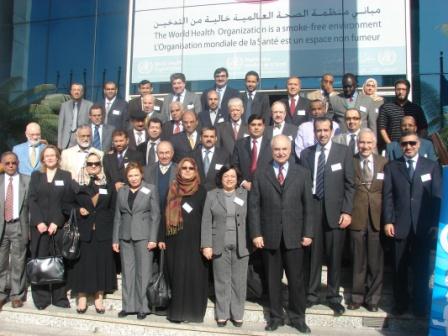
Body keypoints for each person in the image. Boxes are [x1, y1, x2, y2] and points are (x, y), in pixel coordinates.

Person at [249, 135, 313, 333]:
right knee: (273, 280)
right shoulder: (260, 173)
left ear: (290, 148)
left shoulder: (302, 173)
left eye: (284, 149)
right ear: (271, 150)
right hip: (270, 236)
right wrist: (256, 233)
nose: (281, 153)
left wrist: (308, 232)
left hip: (295, 236)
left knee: (296, 280)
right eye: (277, 149)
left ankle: (297, 317)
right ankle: (276, 316)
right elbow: (254, 207)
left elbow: (308, 207)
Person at [300, 117, 354, 316]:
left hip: (335, 211)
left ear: (332, 131)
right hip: (313, 208)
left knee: (334, 255)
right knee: (313, 255)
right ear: (314, 132)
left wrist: (347, 211)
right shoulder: (306, 154)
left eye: (325, 130)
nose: (322, 134)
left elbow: (350, 184)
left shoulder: (344, 152)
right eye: (318, 130)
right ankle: (312, 294)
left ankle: (333, 296)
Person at [383, 131, 441, 316]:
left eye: (412, 144)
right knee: (399, 268)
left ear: (419, 145)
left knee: (421, 269)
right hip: (399, 225)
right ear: (400, 146)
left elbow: (436, 198)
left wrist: (434, 224)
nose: (408, 147)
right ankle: (400, 304)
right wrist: (388, 221)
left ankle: (419, 306)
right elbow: (388, 196)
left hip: (423, 227)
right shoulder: (392, 166)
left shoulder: (431, 167)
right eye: (405, 144)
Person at [159, 158, 208, 323]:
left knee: (194, 276)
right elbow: (162, 214)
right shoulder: (172, 189)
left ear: (196, 171)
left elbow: (207, 219)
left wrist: (206, 243)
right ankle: (176, 313)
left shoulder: (202, 191)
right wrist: (161, 238)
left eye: (191, 168)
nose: (187, 171)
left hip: (195, 241)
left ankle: (192, 313)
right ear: (178, 171)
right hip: (174, 240)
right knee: (176, 275)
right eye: (184, 168)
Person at [67, 153, 117, 314]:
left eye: (96, 164)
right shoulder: (76, 185)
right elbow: (66, 204)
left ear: (101, 166)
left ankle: (98, 297)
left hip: (103, 231)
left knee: (101, 264)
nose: (93, 166)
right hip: (84, 231)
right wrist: (77, 209)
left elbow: (114, 208)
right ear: (85, 165)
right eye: (90, 164)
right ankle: (81, 297)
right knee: (83, 265)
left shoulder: (108, 185)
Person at [201, 164, 249, 327]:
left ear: (238, 179)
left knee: (239, 281)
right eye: (226, 176)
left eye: (233, 176)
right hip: (218, 243)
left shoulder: (245, 194)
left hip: (241, 243)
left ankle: (237, 314)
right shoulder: (212, 195)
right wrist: (206, 244)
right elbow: (206, 221)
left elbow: (252, 218)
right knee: (221, 281)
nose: (229, 179)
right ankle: (222, 314)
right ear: (221, 179)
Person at [112, 162, 160, 320]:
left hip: (144, 236)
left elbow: (155, 215)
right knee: (128, 272)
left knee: (143, 273)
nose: (133, 178)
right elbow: (118, 216)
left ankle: (143, 307)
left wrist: (153, 238)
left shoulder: (150, 189)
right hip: (125, 237)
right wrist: (115, 239)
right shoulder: (122, 191)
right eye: (130, 175)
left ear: (141, 175)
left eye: (136, 175)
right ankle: (128, 306)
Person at [28, 145, 73, 310]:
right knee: (39, 262)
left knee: (57, 262)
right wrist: (39, 222)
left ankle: (59, 298)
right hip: (38, 227)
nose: (50, 158)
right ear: (43, 159)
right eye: (47, 156)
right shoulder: (36, 176)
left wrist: (56, 222)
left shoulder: (66, 176)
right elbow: (31, 200)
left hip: (57, 227)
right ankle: (41, 299)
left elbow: (67, 201)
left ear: (58, 157)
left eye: (53, 155)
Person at [347, 129, 386, 312]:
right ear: (357, 143)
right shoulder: (351, 161)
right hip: (356, 215)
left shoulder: (384, 163)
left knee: (375, 261)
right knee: (358, 260)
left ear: (375, 144)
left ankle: (373, 299)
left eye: (369, 143)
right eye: (362, 142)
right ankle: (356, 296)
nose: (365, 146)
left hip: (378, 218)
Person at [0, 152, 30, 310]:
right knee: (1, 262)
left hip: (19, 225)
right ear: (2, 165)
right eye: (7, 163)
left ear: (18, 163)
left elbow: (32, 207)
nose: (11, 166)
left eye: (13, 163)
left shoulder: (27, 180)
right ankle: (1, 294)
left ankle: (17, 295)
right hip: (2, 226)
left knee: (18, 262)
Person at [378, 79, 428, 145]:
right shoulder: (386, 107)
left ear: (408, 91)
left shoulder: (416, 109)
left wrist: (417, 143)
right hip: (393, 145)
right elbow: (382, 128)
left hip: (412, 147)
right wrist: (390, 145)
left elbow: (423, 129)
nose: (401, 92)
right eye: (398, 89)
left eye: (403, 89)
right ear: (395, 90)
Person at [232, 114, 272, 191]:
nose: (256, 127)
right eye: (253, 125)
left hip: (265, 189)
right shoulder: (239, 144)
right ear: (248, 127)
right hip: (244, 188)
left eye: (259, 125)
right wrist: (243, 182)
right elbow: (234, 166)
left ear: (264, 127)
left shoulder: (272, 144)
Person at [58, 83, 93, 149]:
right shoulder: (64, 106)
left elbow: (91, 125)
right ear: (71, 92)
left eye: (78, 90)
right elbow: (61, 126)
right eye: (74, 90)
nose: (76, 92)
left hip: (83, 137)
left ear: (82, 92)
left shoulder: (89, 105)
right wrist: (59, 144)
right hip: (67, 140)